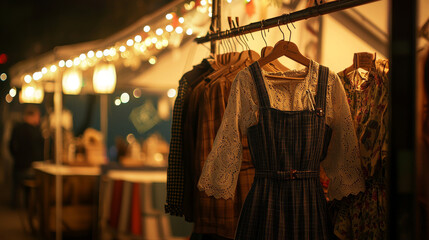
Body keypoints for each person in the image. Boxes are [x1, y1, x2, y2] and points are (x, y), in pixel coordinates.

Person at [9, 104, 44, 208]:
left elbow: (10, 145)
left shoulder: (17, 128)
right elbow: (38, 151)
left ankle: (15, 206)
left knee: (17, 188)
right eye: (38, 116)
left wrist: (15, 156)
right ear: (32, 115)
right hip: (31, 167)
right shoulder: (36, 132)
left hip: (18, 165)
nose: (39, 119)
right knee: (31, 189)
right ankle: (29, 207)